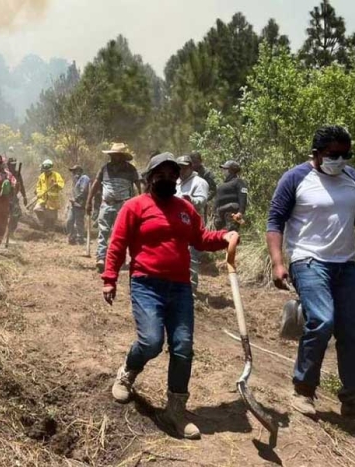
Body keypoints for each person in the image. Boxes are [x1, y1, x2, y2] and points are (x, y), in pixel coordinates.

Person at [102, 152, 236, 440]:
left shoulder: (185, 208)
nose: (166, 179)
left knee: (182, 346)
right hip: (146, 284)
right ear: (150, 178)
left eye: (171, 174)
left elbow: (200, 238)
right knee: (150, 342)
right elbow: (118, 244)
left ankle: (175, 410)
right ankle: (127, 371)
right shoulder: (135, 206)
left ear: (178, 178)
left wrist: (224, 236)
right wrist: (109, 278)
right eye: (159, 174)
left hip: (180, 287)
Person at [266, 125, 355, 424]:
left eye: (345, 154)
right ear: (316, 153)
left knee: (352, 330)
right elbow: (275, 222)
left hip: (346, 264)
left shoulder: (352, 178)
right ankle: (303, 390)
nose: (340, 160)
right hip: (308, 260)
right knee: (322, 319)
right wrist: (278, 262)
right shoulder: (296, 178)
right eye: (333, 155)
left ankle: (354, 399)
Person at [86, 143, 142, 273]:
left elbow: (139, 186)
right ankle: (101, 258)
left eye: (117, 155)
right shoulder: (105, 169)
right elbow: (96, 184)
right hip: (106, 204)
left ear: (122, 157)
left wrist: (141, 203)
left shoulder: (131, 170)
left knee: (121, 234)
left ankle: (119, 260)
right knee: (103, 231)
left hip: (124, 205)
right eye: (112, 155)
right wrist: (89, 201)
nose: (113, 158)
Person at [176, 155, 210, 292]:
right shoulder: (176, 182)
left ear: (190, 167)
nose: (181, 170)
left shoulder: (199, 182)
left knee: (190, 258)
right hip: (176, 225)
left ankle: (191, 290)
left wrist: (191, 200)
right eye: (178, 168)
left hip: (192, 226)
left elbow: (202, 201)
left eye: (184, 167)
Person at [214, 160, 248, 231]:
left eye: (225, 169)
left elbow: (243, 197)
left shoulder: (238, 182)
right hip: (220, 214)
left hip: (231, 213)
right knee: (220, 237)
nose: (223, 170)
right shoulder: (223, 183)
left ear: (231, 170)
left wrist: (240, 212)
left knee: (230, 235)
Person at [34, 160, 65, 231]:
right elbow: (38, 186)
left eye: (47, 171)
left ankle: (51, 230)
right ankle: (43, 222)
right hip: (43, 198)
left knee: (52, 217)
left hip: (52, 200)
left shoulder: (56, 175)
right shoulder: (41, 176)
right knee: (37, 209)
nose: (46, 172)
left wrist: (57, 184)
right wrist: (39, 193)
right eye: (45, 171)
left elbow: (62, 185)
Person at [67, 165, 90, 245]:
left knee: (79, 222)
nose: (73, 173)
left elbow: (83, 191)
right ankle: (72, 238)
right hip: (73, 204)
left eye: (75, 171)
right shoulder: (76, 180)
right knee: (69, 221)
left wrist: (75, 199)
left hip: (80, 205)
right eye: (73, 171)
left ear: (80, 171)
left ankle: (80, 239)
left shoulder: (84, 178)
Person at [6, 157, 27, 238]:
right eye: (12, 165)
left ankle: (10, 231)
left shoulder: (17, 173)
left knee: (16, 213)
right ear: (8, 165)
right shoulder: (5, 173)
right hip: (4, 197)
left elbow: (21, 185)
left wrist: (24, 196)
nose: (13, 166)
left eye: (15, 165)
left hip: (14, 197)